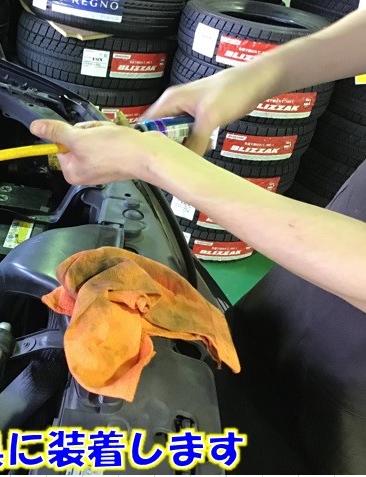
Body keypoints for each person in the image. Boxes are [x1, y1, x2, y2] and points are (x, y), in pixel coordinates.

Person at [30, 8, 366, 474]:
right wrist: (252, 78)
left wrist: (154, 162)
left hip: (347, 392)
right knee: (255, 354)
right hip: (326, 257)